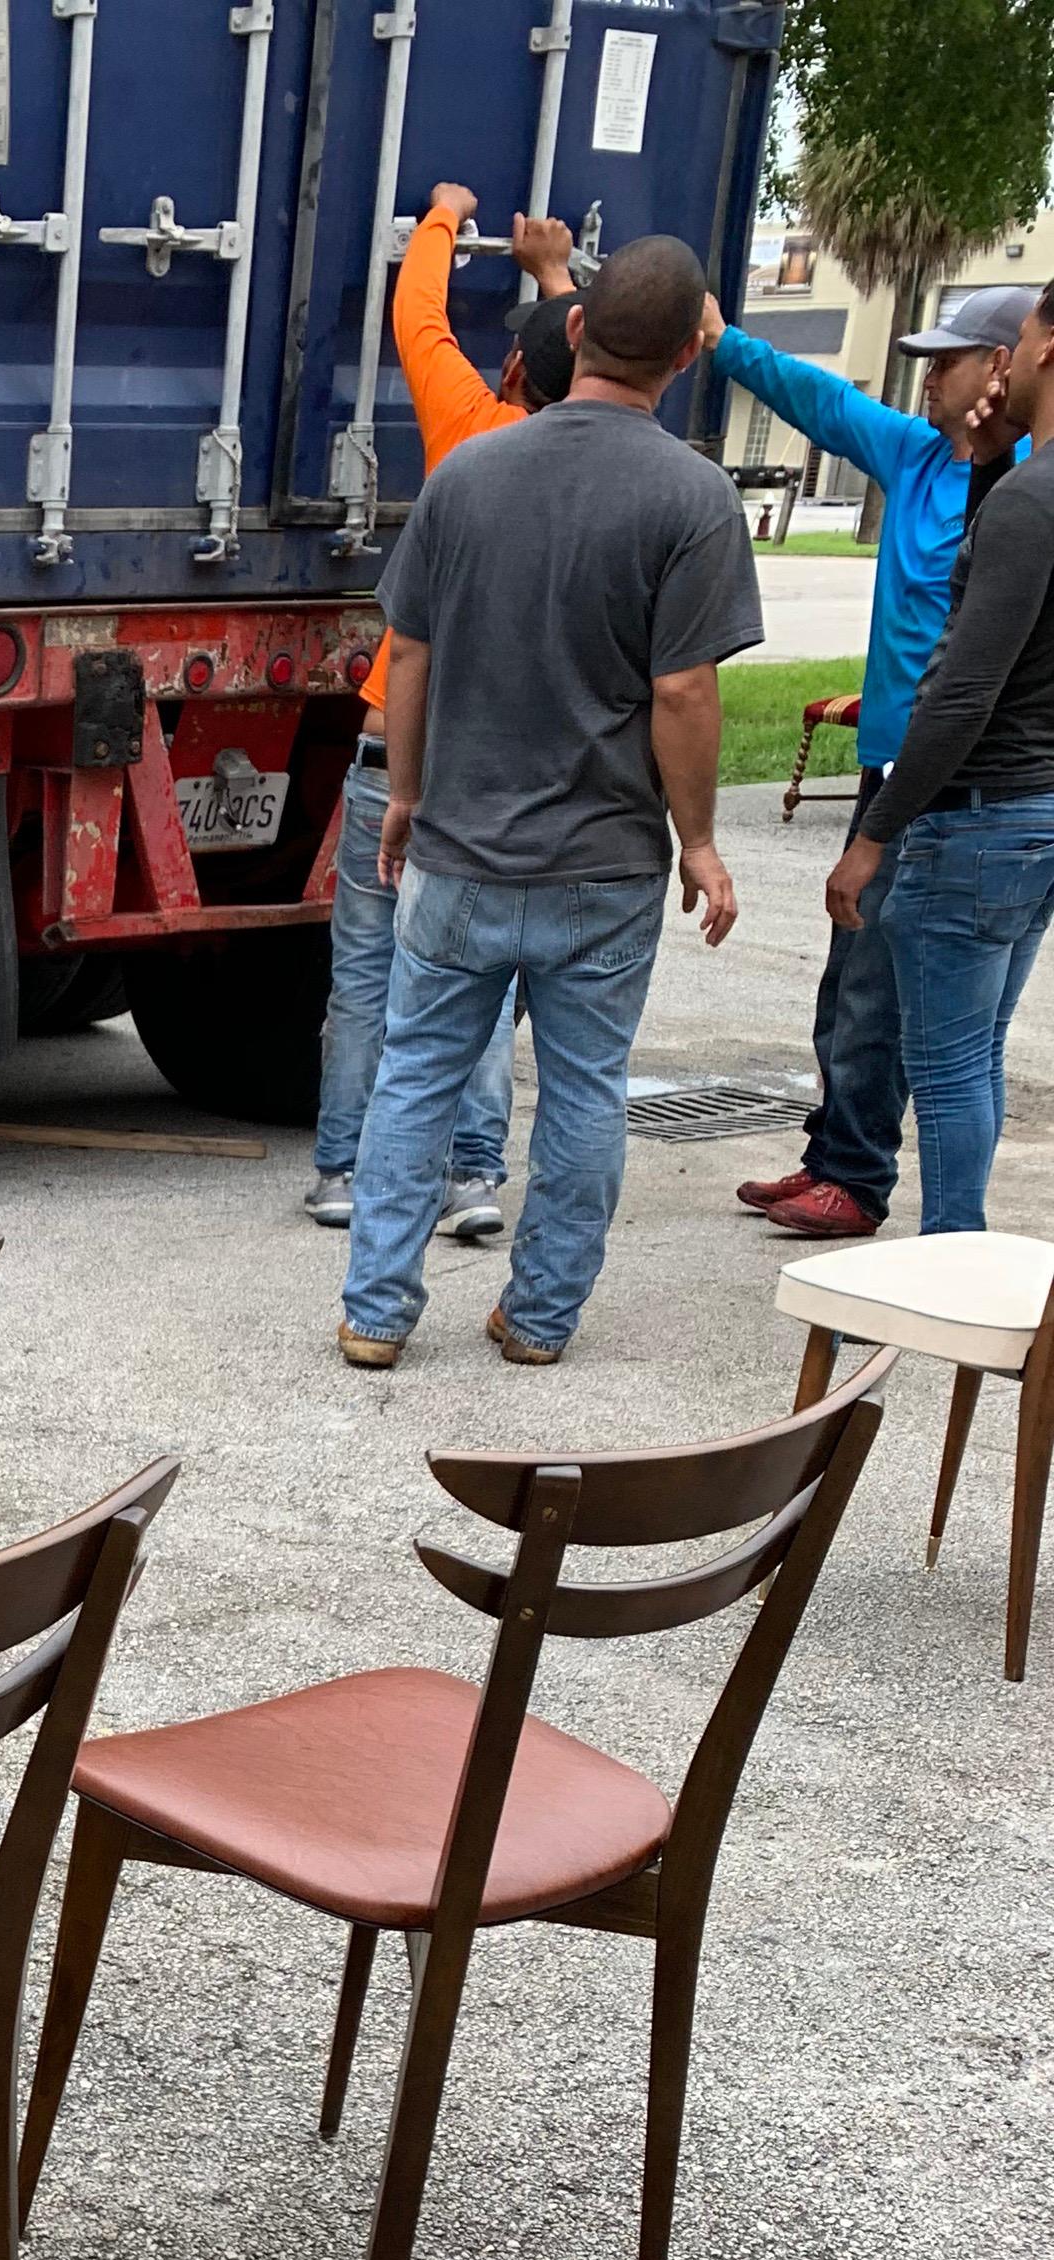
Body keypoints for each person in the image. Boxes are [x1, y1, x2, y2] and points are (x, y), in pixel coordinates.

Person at [333, 237, 761, 1373]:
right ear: (684, 359)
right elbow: (682, 689)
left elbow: (409, 654)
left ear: (574, 330)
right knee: (583, 1090)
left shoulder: (469, 474)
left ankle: (377, 1311)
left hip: (462, 850)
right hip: (605, 867)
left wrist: (406, 796)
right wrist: (702, 841)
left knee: (417, 1071)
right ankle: (539, 1317)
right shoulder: (695, 497)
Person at [707, 280, 1027, 1241]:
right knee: (850, 978)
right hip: (892, 767)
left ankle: (862, 1178)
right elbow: (822, 401)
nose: (929, 377)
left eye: (949, 361)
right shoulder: (919, 455)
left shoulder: (1023, 486)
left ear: (1002, 369)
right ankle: (836, 1157)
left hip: (955, 781)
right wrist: (725, 343)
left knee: (895, 996)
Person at [308, 186, 583, 1244]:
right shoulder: (614, 477)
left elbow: (416, 317)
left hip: (400, 749)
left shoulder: (469, 433)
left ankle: (343, 1165)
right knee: (478, 979)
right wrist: (558, 277)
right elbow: (602, 359)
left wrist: (441, 216)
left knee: (368, 973)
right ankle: (472, 1177)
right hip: (508, 764)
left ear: (511, 371)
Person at [828, 281, 1054, 1238]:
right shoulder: (1022, 488)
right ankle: (953, 1250)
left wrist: (874, 834)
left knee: (951, 1064)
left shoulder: (1031, 504)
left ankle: (951, 1256)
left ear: (1042, 350)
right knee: (975, 1049)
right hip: (1036, 810)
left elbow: (964, 688)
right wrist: (995, 460)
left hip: (979, 817)